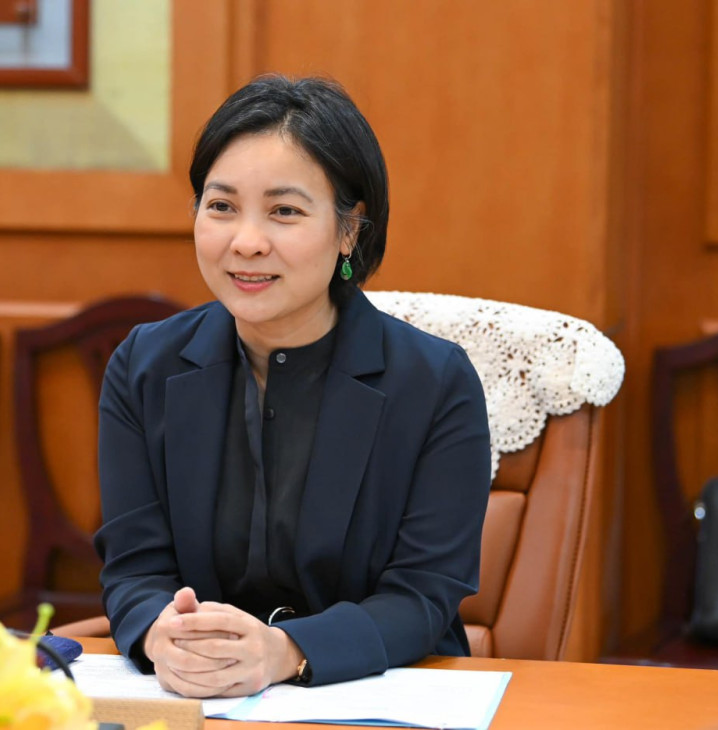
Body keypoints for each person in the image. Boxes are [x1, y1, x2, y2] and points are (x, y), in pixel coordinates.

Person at [93, 74, 491, 698]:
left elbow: (423, 594)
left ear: (350, 230)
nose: (247, 242)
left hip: (379, 696)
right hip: (194, 699)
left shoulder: (435, 383)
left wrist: (286, 652)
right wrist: (157, 634)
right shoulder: (143, 367)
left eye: (285, 211)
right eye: (221, 207)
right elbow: (134, 569)